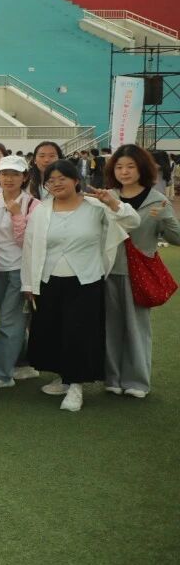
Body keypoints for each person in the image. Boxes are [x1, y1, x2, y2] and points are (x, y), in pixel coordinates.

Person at [23, 160, 139, 411]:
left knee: (80, 332)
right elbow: (30, 247)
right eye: (50, 180)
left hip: (85, 280)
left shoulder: (96, 207)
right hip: (49, 280)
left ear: (76, 180)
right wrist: (28, 283)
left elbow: (132, 222)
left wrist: (113, 203)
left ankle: (76, 385)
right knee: (54, 330)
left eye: (62, 178)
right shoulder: (41, 211)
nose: (56, 184)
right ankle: (63, 377)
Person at [102, 145, 180, 398]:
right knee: (110, 328)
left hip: (138, 273)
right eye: (119, 167)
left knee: (137, 329)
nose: (124, 172)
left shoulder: (157, 200)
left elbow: (176, 238)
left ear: (142, 169)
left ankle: (137, 381)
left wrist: (166, 217)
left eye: (130, 166)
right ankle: (112, 378)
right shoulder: (107, 197)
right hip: (107, 271)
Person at [0, 155, 37, 388]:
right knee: (9, 319)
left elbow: (28, 243)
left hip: (19, 270)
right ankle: (22, 363)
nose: (9, 179)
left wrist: (16, 215)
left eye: (15, 174)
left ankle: (1, 374)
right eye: (4, 174)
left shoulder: (32, 205)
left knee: (9, 322)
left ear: (25, 177)